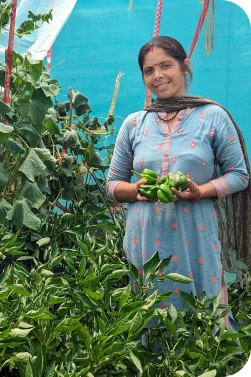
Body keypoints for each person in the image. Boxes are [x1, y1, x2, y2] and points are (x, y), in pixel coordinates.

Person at [106, 36, 251, 331]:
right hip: (143, 238)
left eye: (165, 66)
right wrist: (138, 191)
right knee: (149, 314)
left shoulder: (213, 116)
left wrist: (200, 191)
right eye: (149, 70)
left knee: (202, 315)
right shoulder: (134, 124)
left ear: (185, 67)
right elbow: (113, 185)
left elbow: (240, 175)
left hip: (195, 235)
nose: (158, 76)